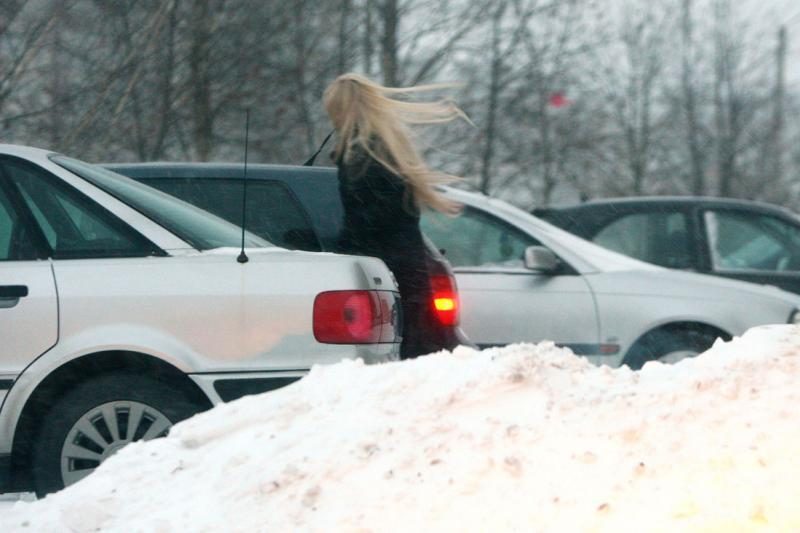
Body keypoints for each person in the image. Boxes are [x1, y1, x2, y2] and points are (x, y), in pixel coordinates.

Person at [323, 72, 469, 359]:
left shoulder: (363, 157)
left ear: (342, 109)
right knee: (417, 352)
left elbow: (367, 219)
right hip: (407, 268)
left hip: (390, 272)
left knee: (406, 355)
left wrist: (342, 249)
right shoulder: (384, 151)